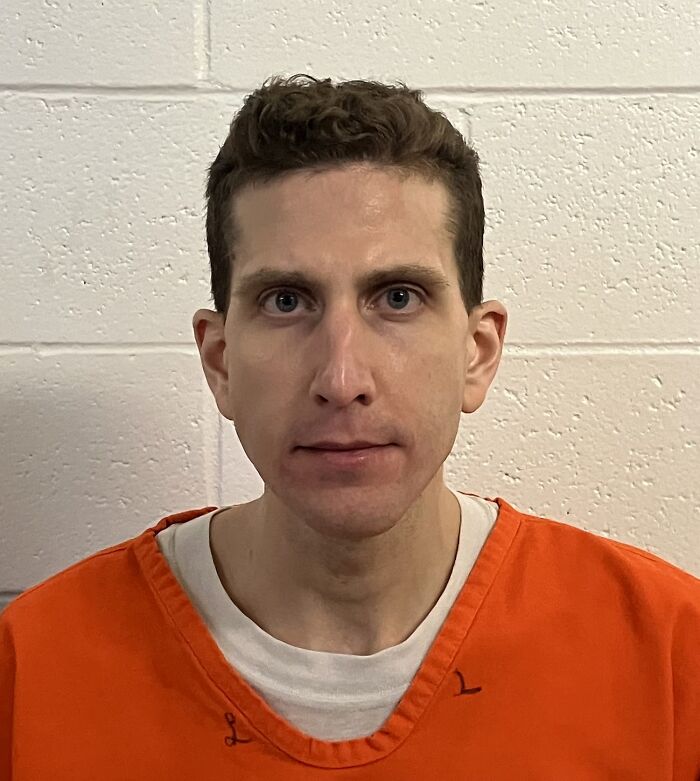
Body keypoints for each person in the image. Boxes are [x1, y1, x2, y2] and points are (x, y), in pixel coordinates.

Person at [1, 74, 698, 780]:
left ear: (477, 352)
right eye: (285, 300)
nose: (341, 378)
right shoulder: (31, 668)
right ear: (220, 361)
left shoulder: (670, 651)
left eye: (398, 297)